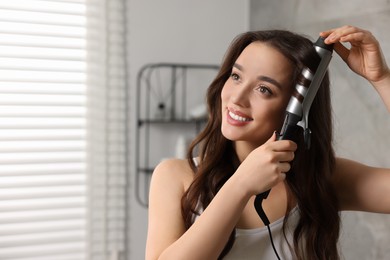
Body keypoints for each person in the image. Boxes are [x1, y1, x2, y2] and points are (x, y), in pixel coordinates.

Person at [145, 25, 390, 260]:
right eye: (236, 76)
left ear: (298, 107)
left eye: (264, 89)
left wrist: (382, 79)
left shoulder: (320, 178)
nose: (237, 98)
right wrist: (240, 185)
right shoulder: (176, 177)